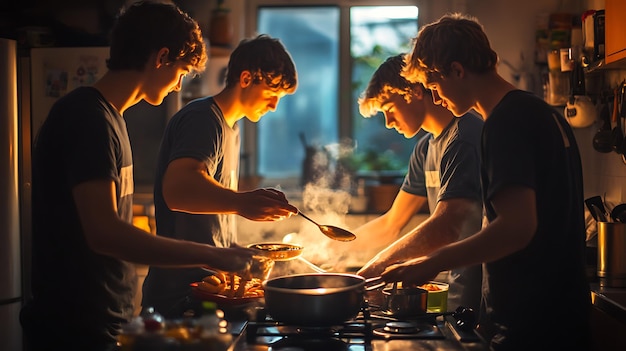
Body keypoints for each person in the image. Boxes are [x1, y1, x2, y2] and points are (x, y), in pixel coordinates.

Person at [19, 2, 293, 351]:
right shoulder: (87, 117)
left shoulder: (112, 120)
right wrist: (214, 256)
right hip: (71, 326)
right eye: (181, 72)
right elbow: (105, 233)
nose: (178, 86)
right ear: (161, 57)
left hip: (102, 320)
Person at [381, 13, 591, 350]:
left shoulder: (504, 122)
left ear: (458, 70)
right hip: (562, 315)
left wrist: (433, 261)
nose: (436, 100)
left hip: (532, 326)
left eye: (435, 87)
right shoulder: (540, 112)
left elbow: (516, 227)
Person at [140, 34, 299, 318]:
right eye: (271, 94)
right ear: (246, 78)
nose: (274, 106)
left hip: (208, 293)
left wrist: (243, 254)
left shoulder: (231, 130)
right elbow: (178, 191)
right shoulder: (204, 119)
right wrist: (243, 202)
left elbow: (207, 223)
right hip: (181, 296)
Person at [352, 54, 484, 313]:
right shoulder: (425, 148)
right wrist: (328, 247)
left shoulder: (464, 138)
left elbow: (445, 226)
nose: (388, 123)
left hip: (480, 292)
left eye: (389, 109)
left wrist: (374, 270)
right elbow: (391, 223)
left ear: (413, 91)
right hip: (452, 286)